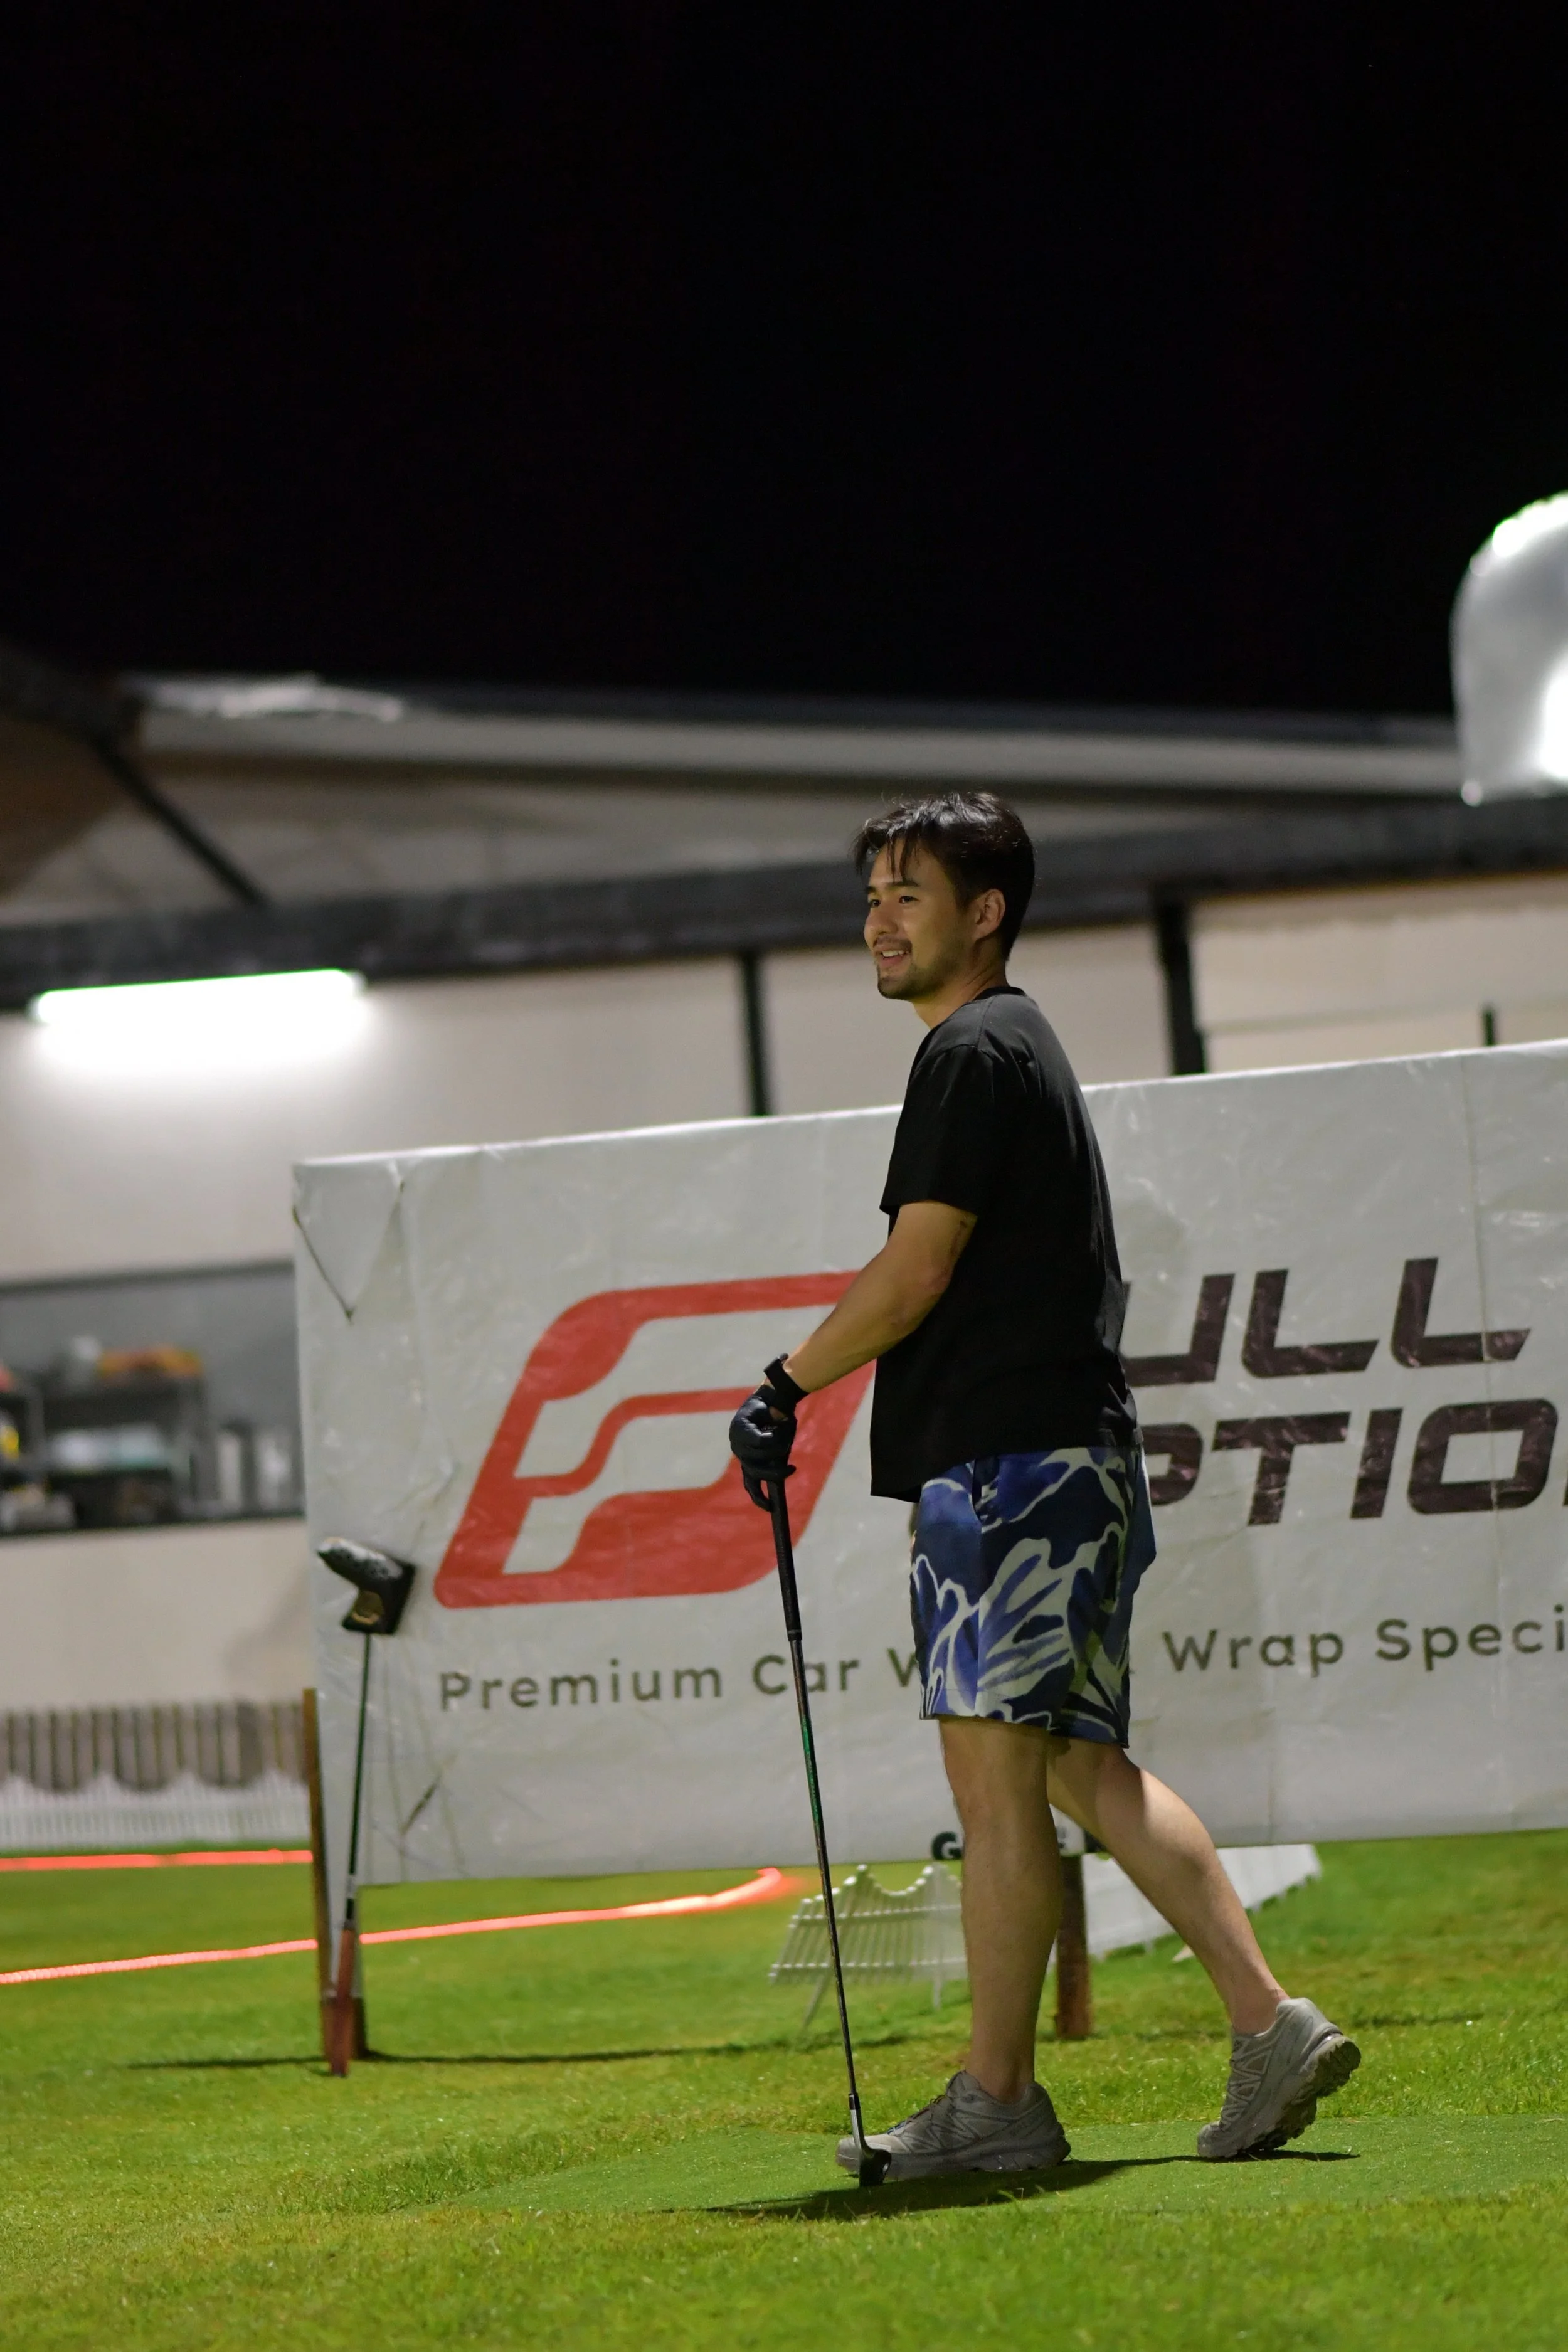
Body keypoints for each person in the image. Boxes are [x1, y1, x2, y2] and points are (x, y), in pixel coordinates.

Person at [729, 789, 1359, 2181]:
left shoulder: (968, 1050)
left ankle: (1003, 2104)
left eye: (908, 892)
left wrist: (783, 1386)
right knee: (1069, 1764)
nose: (877, 919)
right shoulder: (1016, 1046)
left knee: (1006, 1776)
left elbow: (916, 1269)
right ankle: (1257, 2026)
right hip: (1054, 1461)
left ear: (985, 912)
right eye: (871, 895)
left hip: (1006, 1472)